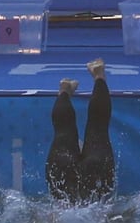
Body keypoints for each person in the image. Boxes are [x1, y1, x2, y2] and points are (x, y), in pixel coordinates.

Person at [45, 59, 115, 206]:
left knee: (94, 129)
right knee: (96, 128)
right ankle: (67, 89)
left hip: (64, 162)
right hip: (95, 171)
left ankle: (68, 88)